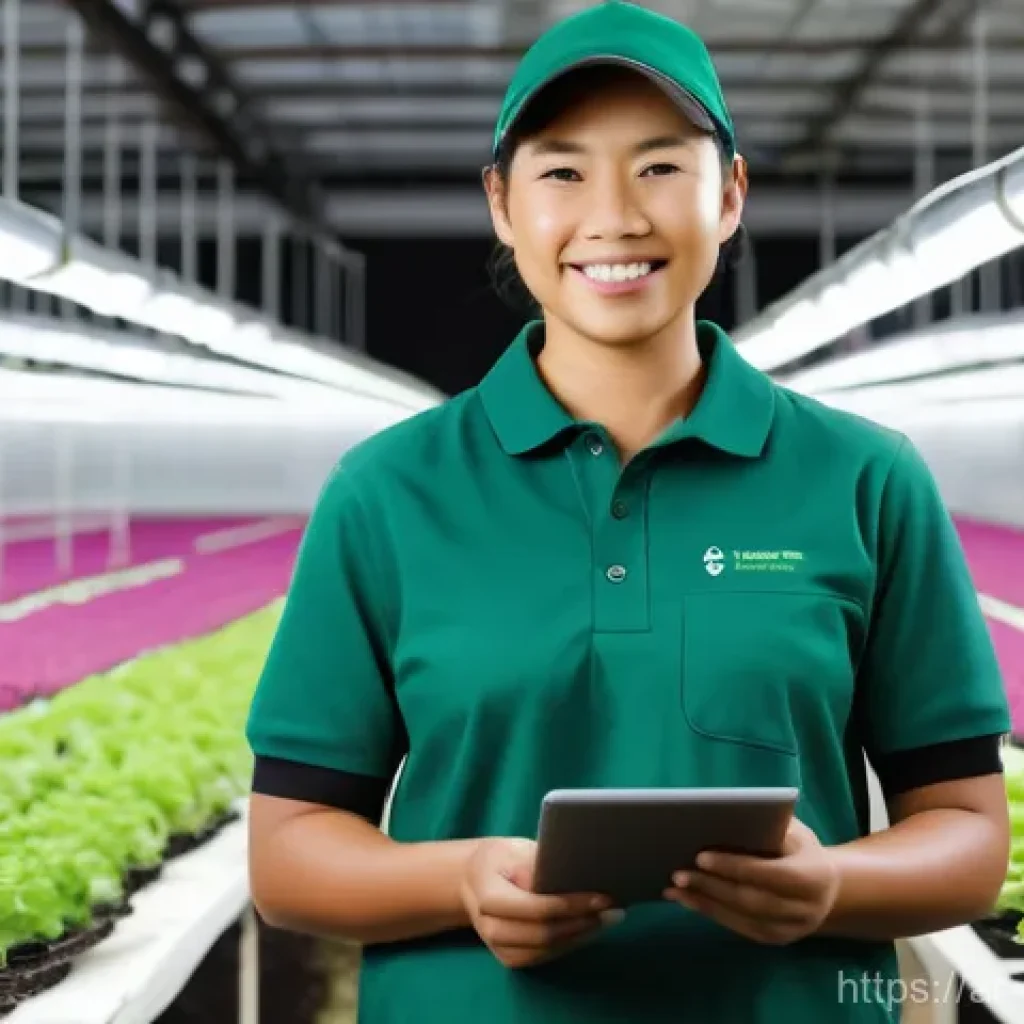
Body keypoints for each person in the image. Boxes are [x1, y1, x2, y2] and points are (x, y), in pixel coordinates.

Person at [243, 3, 1012, 1022]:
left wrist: (833, 885)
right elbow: (289, 847)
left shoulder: (866, 479)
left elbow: (963, 827)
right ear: (502, 205)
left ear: (729, 194)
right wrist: (461, 878)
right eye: (561, 171)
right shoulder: (387, 493)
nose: (613, 215)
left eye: (659, 166)